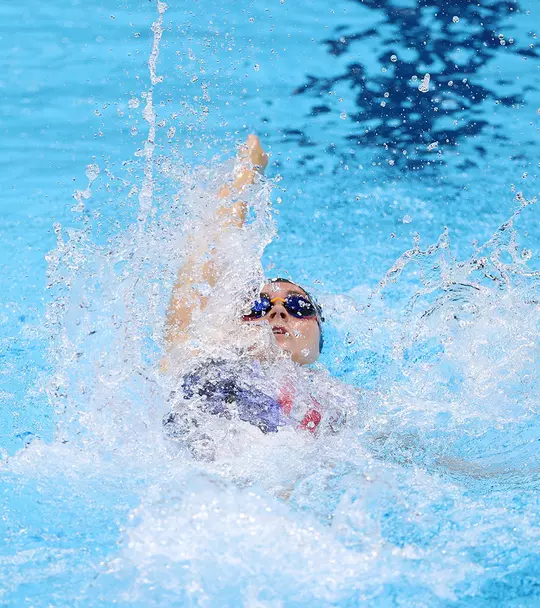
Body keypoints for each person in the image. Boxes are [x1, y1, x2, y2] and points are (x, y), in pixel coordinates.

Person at [160, 135, 359, 459]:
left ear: (320, 335)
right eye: (258, 306)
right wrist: (245, 176)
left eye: (297, 306)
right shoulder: (204, 358)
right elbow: (206, 252)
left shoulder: (342, 402)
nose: (277, 314)